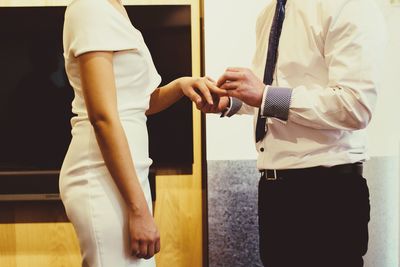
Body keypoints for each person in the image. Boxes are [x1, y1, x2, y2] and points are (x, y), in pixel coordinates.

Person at [200, 0, 387, 266]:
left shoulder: (348, 5)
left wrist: (264, 95)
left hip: (328, 196)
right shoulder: (269, 14)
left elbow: (355, 106)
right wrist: (233, 103)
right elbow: (275, 96)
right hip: (274, 192)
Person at [60, 0, 222, 266]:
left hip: (126, 176)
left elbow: (139, 102)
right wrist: (138, 210)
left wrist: (181, 85)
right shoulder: (90, 7)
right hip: (101, 173)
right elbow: (103, 117)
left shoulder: (115, 9)